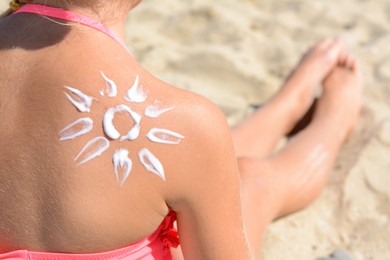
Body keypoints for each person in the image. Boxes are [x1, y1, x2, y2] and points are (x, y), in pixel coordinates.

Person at [0, 0, 363, 259]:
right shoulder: (185, 122)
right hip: (189, 142)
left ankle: (285, 107)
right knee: (250, 181)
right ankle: (332, 120)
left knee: (192, 160)